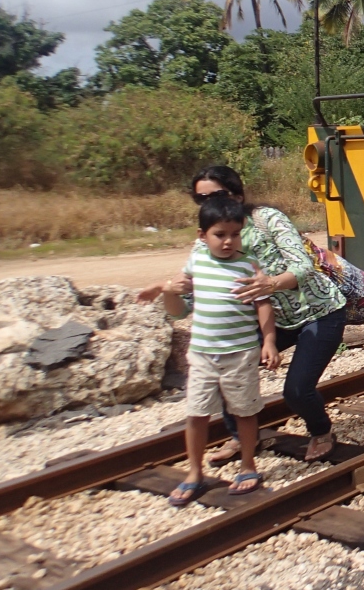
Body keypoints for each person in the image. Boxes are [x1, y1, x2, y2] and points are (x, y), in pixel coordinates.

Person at [140, 165, 348, 461]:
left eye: (218, 195)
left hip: (319, 313)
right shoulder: (206, 244)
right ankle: (242, 438)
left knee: (297, 389)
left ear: (237, 194)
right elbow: (185, 306)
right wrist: (169, 291)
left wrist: (271, 283)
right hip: (272, 322)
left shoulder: (266, 219)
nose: (209, 203)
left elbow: (302, 266)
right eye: (201, 199)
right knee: (227, 373)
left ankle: (321, 430)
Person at [161, 197, 279, 505]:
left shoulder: (248, 265)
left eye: (234, 234)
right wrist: (168, 293)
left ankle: (248, 466)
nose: (228, 241)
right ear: (202, 236)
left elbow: (263, 305)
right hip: (201, 355)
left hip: (240, 354)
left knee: (244, 411)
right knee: (197, 414)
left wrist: (269, 341)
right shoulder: (195, 265)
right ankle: (194, 473)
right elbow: (176, 312)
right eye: (219, 235)